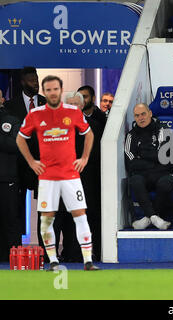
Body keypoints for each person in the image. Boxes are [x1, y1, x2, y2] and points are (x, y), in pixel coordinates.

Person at [16, 75, 99, 271]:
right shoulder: (35, 114)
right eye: (49, 90)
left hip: (71, 176)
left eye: (55, 89)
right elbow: (20, 139)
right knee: (48, 219)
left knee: (80, 216)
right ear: (44, 92)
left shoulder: (73, 112)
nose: (53, 93)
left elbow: (89, 134)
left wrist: (84, 158)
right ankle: (52, 260)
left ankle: (87, 260)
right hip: (47, 178)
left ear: (60, 91)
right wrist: (32, 162)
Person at [4, 66, 47, 255]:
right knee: (15, 209)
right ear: (22, 82)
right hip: (17, 165)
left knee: (45, 209)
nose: (36, 84)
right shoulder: (11, 106)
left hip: (42, 165)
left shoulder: (47, 103)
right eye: (31, 80)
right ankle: (13, 250)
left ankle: (45, 250)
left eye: (37, 80)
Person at [124, 103, 173, 230]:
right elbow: (131, 163)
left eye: (143, 114)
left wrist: (142, 155)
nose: (141, 118)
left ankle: (148, 218)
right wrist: (152, 158)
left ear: (150, 113)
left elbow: (164, 158)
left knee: (166, 182)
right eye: (137, 115)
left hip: (161, 173)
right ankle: (154, 217)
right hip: (143, 174)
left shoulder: (162, 131)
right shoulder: (131, 135)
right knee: (135, 180)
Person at [68, 91, 104, 261]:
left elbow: (96, 154)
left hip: (88, 179)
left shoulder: (94, 126)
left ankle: (93, 252)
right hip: (64, 179)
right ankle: (71, 253)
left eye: (76, 104)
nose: (73, 107)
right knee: (67, 218)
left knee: (90, 216)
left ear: (82, 106)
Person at [0, 104, 22, 261]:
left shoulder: (12, 120)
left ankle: (13, 259)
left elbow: (16, 144)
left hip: (7, 178)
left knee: (10, 220)